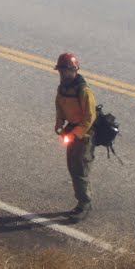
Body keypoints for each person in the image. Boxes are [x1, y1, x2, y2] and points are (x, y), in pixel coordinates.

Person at [53, 51, 95, 219]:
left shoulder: (84, 91)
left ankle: (85, 205)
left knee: (79, 170)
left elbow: (90, 117)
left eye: (65, 70)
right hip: (72, 131)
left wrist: (76, 134)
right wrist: (59, 122)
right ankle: (82, 200)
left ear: (74, 69)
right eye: (60, 71)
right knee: (72, 167)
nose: (62, 74)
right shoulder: (63, 87)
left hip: (84, 134)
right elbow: (59, 104)